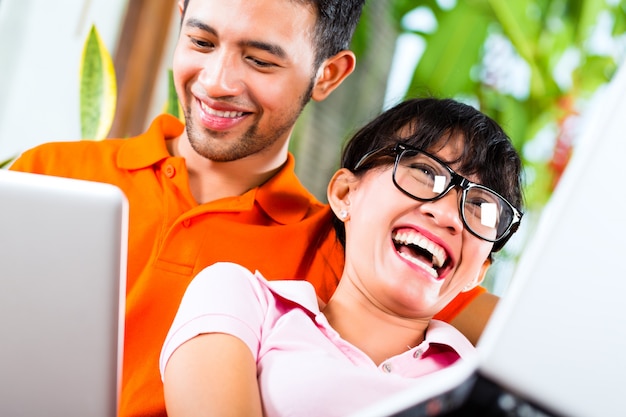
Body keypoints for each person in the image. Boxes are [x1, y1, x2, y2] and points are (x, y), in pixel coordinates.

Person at [9, 1, 499, 416]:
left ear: (327, 75)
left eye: (260, 61)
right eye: (201, 42)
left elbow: (529, 341)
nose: (217, 81)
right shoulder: (48, 173)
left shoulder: (341, 248)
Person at [159, 97, 524, 417]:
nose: (446, 214)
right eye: (424, 172)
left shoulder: (490, 382)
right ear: (345, 194)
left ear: (481, 270)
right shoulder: (241, 300)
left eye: (480, 206)